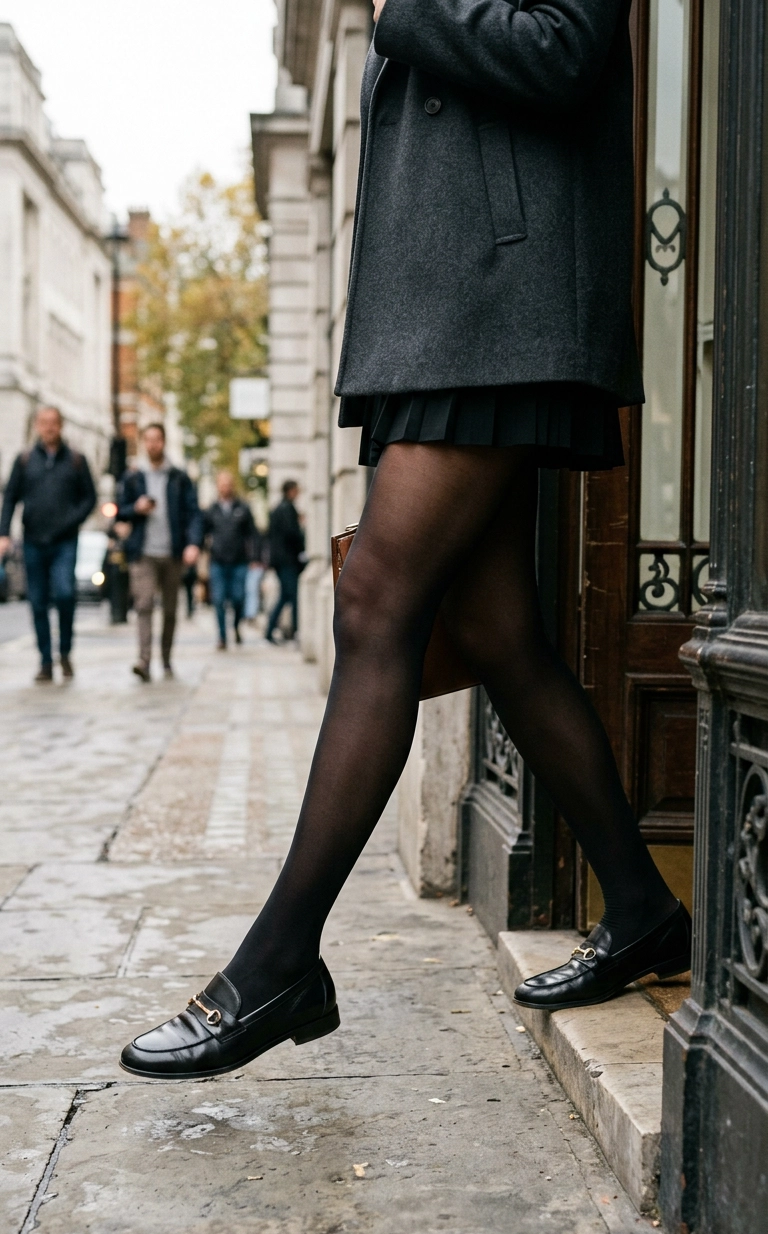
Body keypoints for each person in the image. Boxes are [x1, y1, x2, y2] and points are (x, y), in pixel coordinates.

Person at [121, 0, 691, 1079]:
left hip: (499, 302)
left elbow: (567, 50)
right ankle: (645, 903)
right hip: (450, 312)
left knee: (376, 599)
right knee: (500, 634)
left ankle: (281, 957)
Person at [0, 406, 96, 683]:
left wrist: (72, 520)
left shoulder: (77, 460)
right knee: (38, 601)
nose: (48, 428)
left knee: (65, 594)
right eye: (43, 423)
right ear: (37, 426)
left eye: (53, 423)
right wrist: (4, 533)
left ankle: (64, 650)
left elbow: (89, 499)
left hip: (65, 540)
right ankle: (45, 660)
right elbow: (10, 498)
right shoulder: (25, 460)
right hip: (33, 540)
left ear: (61, 426)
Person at [117, 422, 201, 681]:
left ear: (163, 442)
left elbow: (193, 512)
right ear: (144, 443)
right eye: (149, 440)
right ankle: (144, 659)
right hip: (142, 552)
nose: (153, 444)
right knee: (143, 605)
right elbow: (119, 509)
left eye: (157, 440)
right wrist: (136, 508)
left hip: (172, 552)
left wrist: (193, 543)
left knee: (170, 609)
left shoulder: (178, 476)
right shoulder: (133, 476)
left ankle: (165, 658)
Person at [202, 470, 259, 649]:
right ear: (218, 486)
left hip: (239, 562)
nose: (225, 487)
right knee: (218, 600)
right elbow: (202, 533)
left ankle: (235, 627)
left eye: (228, 484)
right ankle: (222, 636)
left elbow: (253, 534)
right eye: (222, 484)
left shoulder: (243, 508)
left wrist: (255, 557)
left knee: (238, 598)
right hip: (217, 561)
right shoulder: (212, 510)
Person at [264, 480, 305, 643]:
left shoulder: (278, 509)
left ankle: (271, 630)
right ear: (290, 491)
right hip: (287, 560)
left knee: (286, 595)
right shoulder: (287, 509)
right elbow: (291, 534)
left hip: (281, 559)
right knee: (291, 595)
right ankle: (293, 630)